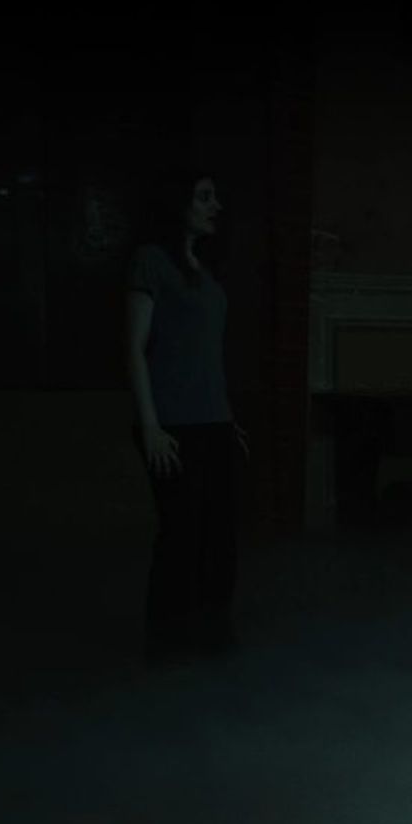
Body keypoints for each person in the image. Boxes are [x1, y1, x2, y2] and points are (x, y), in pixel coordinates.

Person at [125, 169, 249, 665]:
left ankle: (212, 632)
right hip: (172, 424)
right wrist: (150, 426)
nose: (215, 205)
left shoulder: (207, 271)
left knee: (220, 535)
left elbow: (206, 356)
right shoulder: (151, 261)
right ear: (178, 203)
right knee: (181, 534)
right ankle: (167, 641)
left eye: (215, 197)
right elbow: (135, 350)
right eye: (204, 197)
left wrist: (228, 419)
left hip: (214, 423)